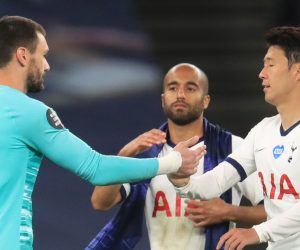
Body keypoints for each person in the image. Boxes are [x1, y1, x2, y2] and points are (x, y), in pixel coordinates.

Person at [0, 15, 206, 250]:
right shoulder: (28, 112)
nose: (47, 65)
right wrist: (173, 162)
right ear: (23, 55)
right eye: (43, 55)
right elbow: (96, 168)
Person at [86, 63, 266, 250]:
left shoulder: (234, 147)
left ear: (206, 100)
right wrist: (124, 154)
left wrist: (229, 212)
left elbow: (273, 208)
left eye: (190, 88)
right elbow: (100, 202)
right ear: (163, 99)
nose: (180, 94)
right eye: (173, 88)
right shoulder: (146, 153)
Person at [167, 27, 300, 250]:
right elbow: (217, 182)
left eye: (270, 64)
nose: (262, 73)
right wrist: (181, 179)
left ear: (297, 71)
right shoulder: (263, 131)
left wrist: (257, 232)